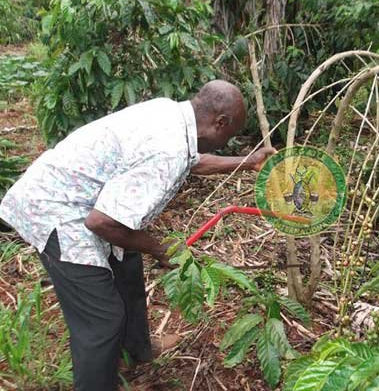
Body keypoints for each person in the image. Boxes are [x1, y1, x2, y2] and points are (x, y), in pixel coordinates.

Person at [0, 79, 275, 391]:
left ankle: (138, 351)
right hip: (55, 210)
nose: (228, 141)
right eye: (231, 134)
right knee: (102, 321)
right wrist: (160, 248)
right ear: (219, 122)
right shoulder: (168, 148)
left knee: (127, 260)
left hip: (75, 196)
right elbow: (102, 222)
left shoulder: (171, 114)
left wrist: (247, 162)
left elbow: (191, 161)